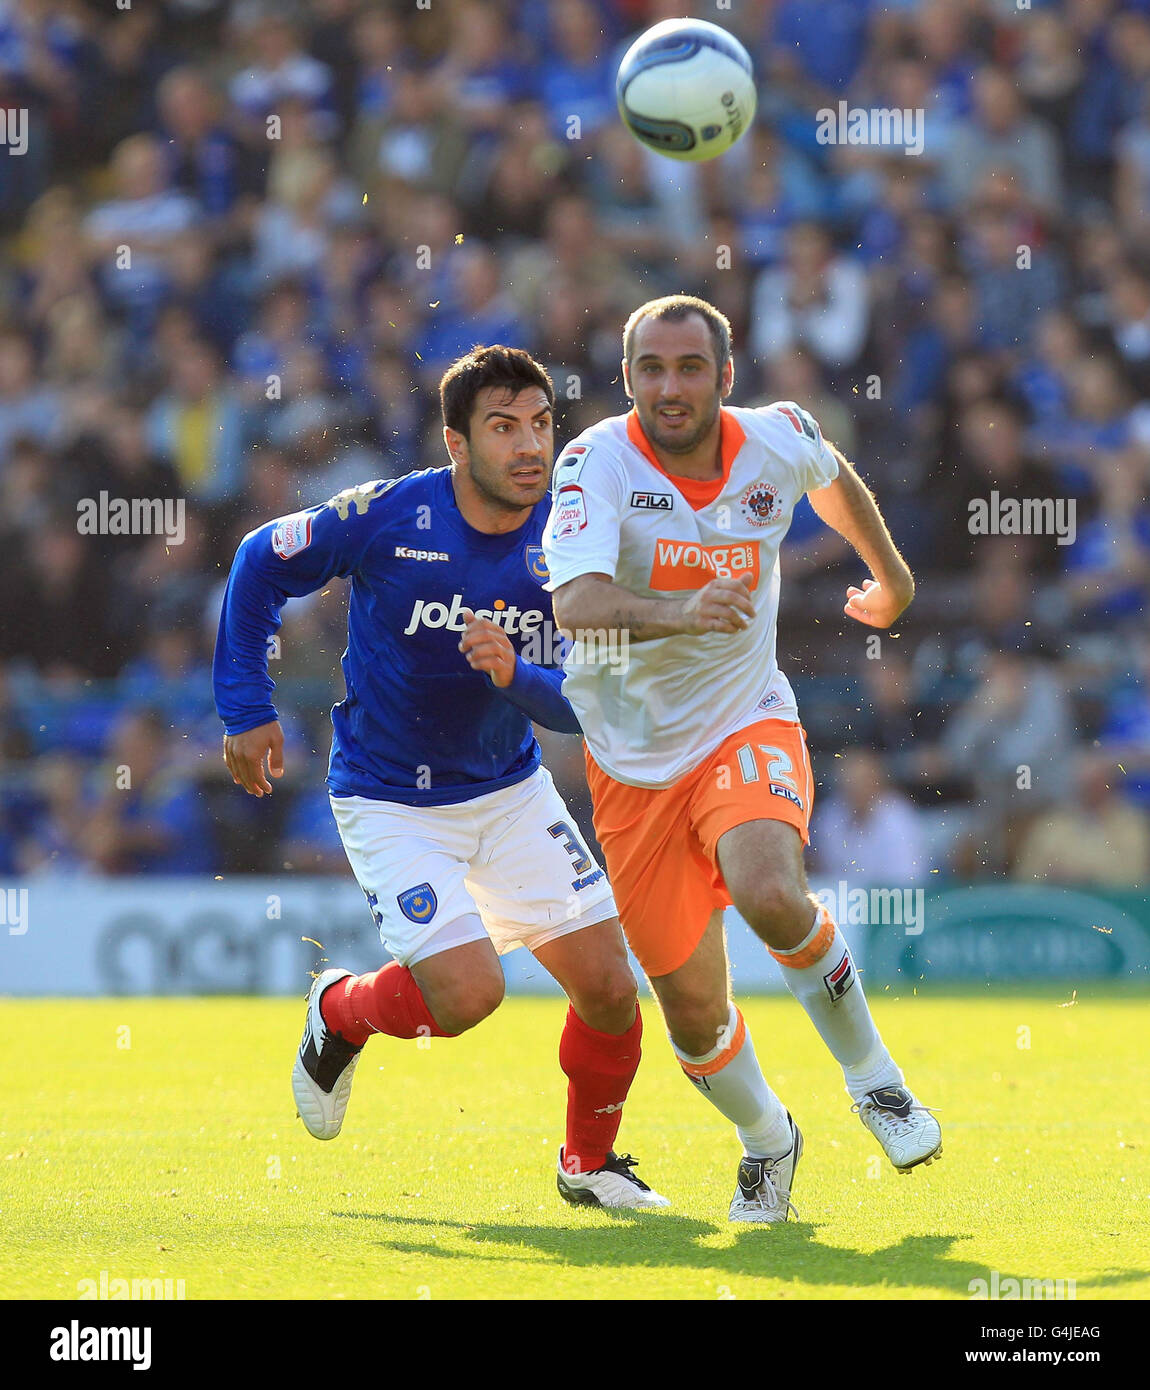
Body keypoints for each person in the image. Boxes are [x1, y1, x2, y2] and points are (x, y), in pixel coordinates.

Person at [213, 345, 667, 1210]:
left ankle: (588, 1164)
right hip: (390, 799)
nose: (531, 445)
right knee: (466, 997)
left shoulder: (571, 542)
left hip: (509, 789)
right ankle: (339, 1011)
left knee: (612, 989)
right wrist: (244, 705)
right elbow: (259, 560)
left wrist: (516, 678)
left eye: (541, 424)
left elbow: (591, 706)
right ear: (456, 444)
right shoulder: (387, 515)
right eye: (504, 427)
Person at [542, 295, 942, 1223]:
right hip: (632, 765)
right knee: (692, 1012)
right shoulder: (592, 462)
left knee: (769, 888)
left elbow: (832, 474)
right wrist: (683, 612)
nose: (669, 386)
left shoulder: (776, 438)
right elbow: (577, 605)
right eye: (650, 368)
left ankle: (875, 1080)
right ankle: (768, 1139)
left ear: (726, 377)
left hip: (742, 720)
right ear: (628, 377)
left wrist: (892, 575)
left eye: (689, 368)